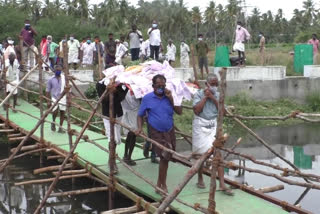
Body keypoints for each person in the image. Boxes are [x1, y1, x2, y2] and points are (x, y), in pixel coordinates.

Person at [136, 74, 182, 193]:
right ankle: (163, 185)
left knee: (166, 157)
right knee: (164, 156)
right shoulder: (147, 98)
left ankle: (158, 184)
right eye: (158, 86)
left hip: (169, 130)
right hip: (155, 131)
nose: (161, 88)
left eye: (163, 85)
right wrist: (140, 128)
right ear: (153, 86)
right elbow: (140, 115)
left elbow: (179, 112)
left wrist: (171, 98)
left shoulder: (169, 96)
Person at [192, 74, 233, 195]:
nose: (214, 87)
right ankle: (200, 178)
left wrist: (214, 98)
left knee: (217, 154)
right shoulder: (199, 94)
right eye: (213, 84)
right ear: (207, 84)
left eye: (216, 84)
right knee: (201, 155)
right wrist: (206, 97)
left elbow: (224, 112)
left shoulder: (219, 95)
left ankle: (221, 184)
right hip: (200, 126)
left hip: (213, 126)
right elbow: (196, 110)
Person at [96, 78, 128, 171]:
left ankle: (112, 158)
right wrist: (108, 91)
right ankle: (112, 161)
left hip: (118, 114)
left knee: (116, 138)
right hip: (107, 115)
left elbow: (122, 97)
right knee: (112, 138)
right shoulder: (100, 84)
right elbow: (103, 100)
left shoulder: (118, 84)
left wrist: (120, 88)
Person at [121, 90, 140, 165]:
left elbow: (141, 99)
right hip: (126, 112)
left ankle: (128, 156)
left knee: (133, 135)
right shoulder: (124, 89)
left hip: (135, 113)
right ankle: (126, 155)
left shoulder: (137, 88)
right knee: (130, 135)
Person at [46, 65, 66, 133]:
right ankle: (53, 122)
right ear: (54, 71)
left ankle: (60, 128)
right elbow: (47, 91)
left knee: (62, 112)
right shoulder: (51, 80)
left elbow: (67, 88)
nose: (58, 71)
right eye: (57, 70)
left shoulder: (64, 78)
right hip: (54, 98)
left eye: (60, 70)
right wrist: (48, 101)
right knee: (55, 111)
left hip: (63, 97)